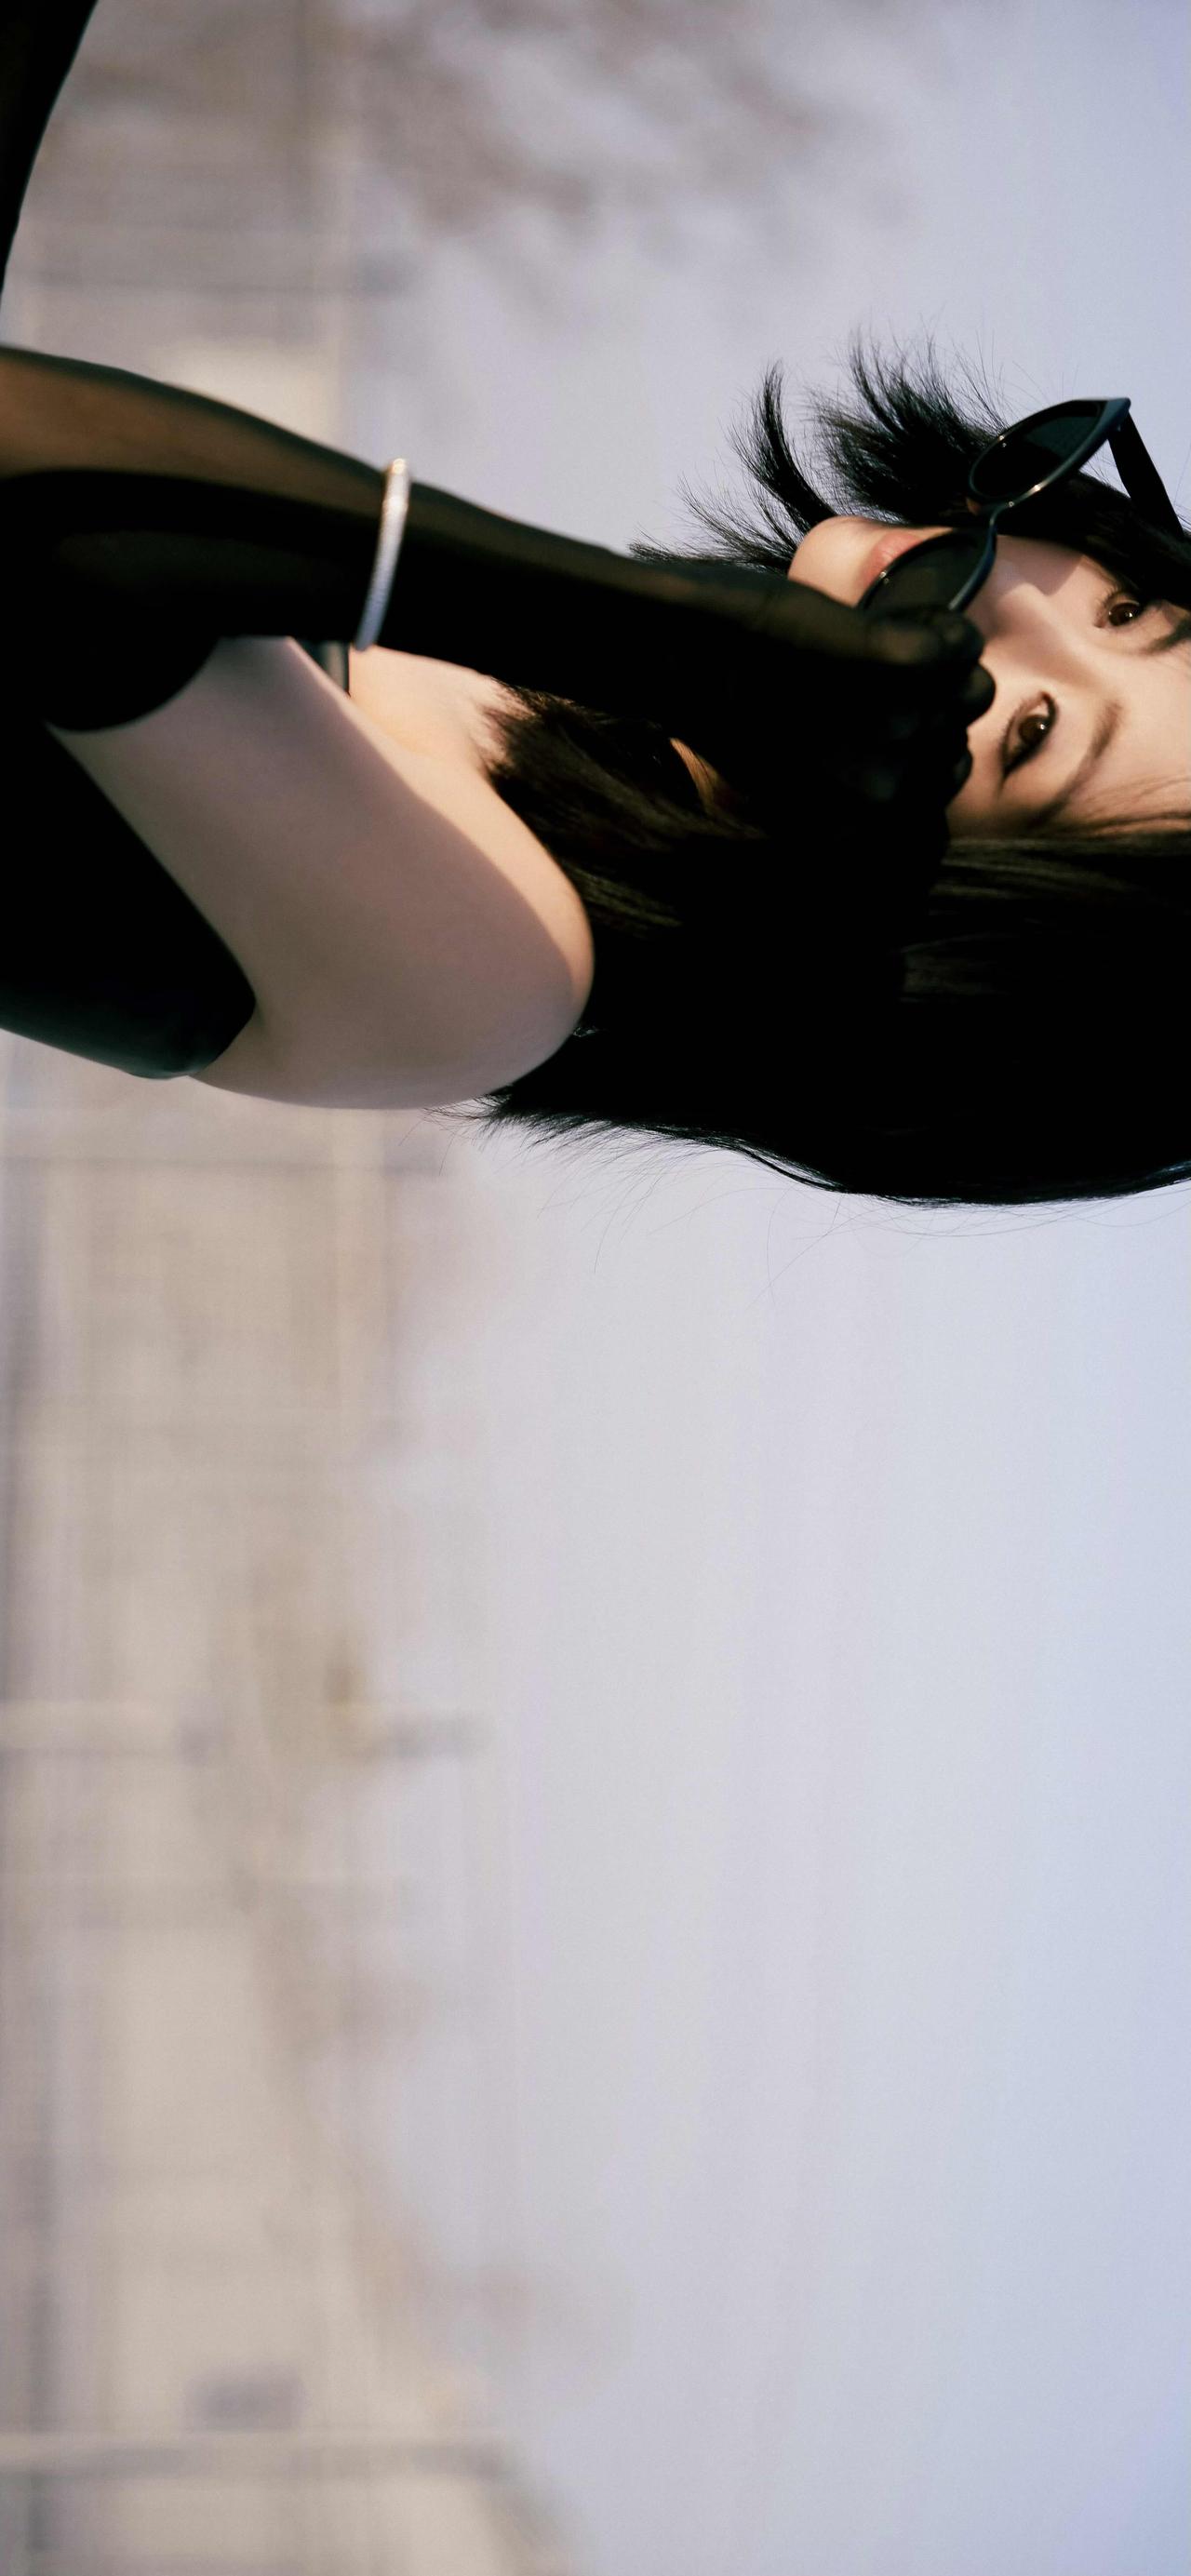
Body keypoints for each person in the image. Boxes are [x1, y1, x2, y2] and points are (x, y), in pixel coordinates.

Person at [2, 7, 1189, 1211]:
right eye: (1127, 608)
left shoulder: (496, 984)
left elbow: (52, 530)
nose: (1019, 605)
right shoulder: (519, 713)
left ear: (932, 927)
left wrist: (652, 637)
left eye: (1036, 730)